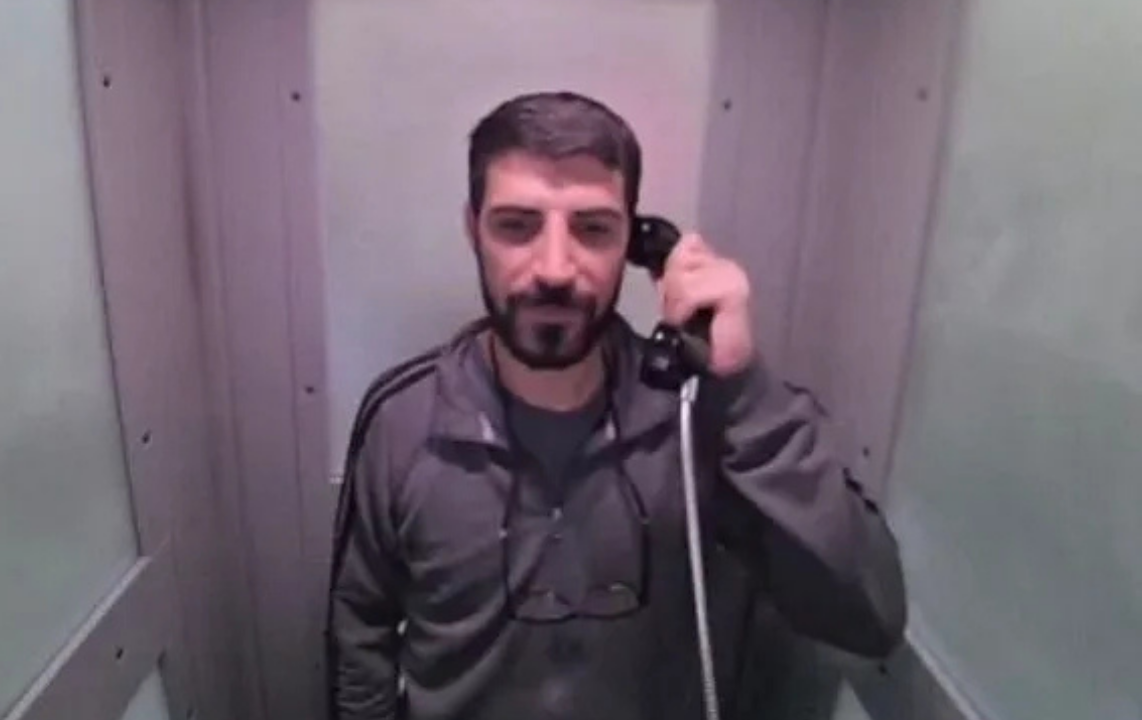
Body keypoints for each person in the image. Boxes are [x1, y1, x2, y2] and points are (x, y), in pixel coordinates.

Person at [326, 90, 906, 720]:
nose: (554, 268)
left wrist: (740, 390)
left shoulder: (695, 418)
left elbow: (869, 616)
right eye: (516, 226)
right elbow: (360, 636)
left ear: (634, 243)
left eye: (593, 229)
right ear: (474, 230)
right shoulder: (403, 421)